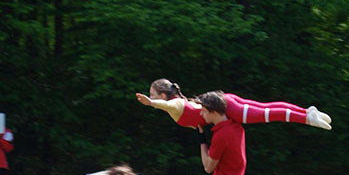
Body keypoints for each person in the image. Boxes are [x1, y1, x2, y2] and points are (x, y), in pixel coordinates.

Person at [135, 78, 332, 130]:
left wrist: (151, 103)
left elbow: (167, 106)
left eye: (153, 94)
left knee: (269, 114)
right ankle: (306, 112)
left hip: (228, 108)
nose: (151, 96)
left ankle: (307, 118)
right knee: (267, 107)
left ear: (162, 94)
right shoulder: (182, 102)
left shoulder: (176, 105)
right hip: (227, 100)